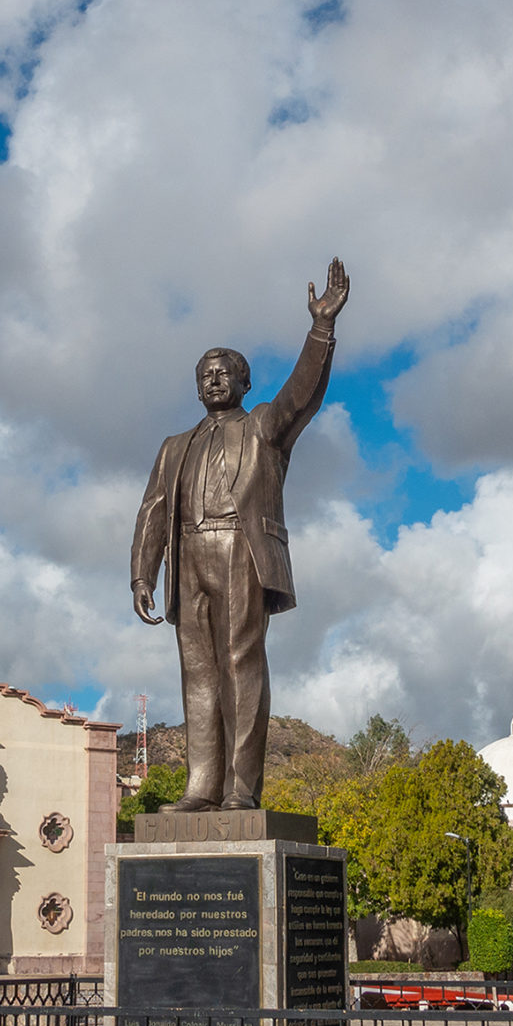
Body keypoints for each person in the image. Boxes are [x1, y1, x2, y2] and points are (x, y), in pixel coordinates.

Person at [131, 260, 349, 810]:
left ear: (245, 382)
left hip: (240, 549)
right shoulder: (173, 445)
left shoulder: (265, 429)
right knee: (197, 674)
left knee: (240, 662)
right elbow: (153, 509)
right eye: (203, 373)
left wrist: (320, 328)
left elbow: (303, 394)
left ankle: (241, 790)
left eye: (223, 370)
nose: (212, 379)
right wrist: (142, 573)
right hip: (187, 558)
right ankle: (202, 786)